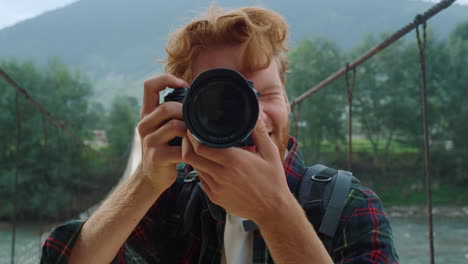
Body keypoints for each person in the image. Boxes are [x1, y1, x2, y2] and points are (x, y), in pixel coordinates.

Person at [41, 6, 399, 264]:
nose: (254, 117)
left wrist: (276, 212)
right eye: (224, 100)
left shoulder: (348, 205)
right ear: (184, 108)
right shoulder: (173, 202)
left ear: (287, 101)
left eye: (265, 94)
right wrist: (146, 182)